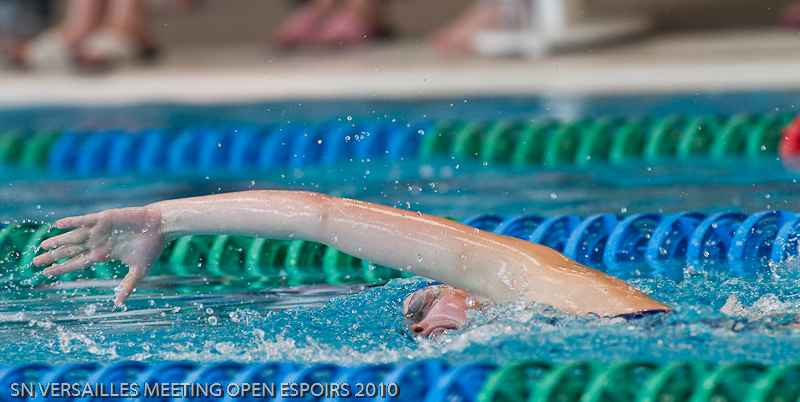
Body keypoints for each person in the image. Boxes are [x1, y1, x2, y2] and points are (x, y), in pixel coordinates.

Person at [32, 190, 671, 337]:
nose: (421, 320)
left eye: (429, 295)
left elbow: (322, 218)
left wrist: (164, 217)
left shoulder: (520, 277)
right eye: (416, 316)